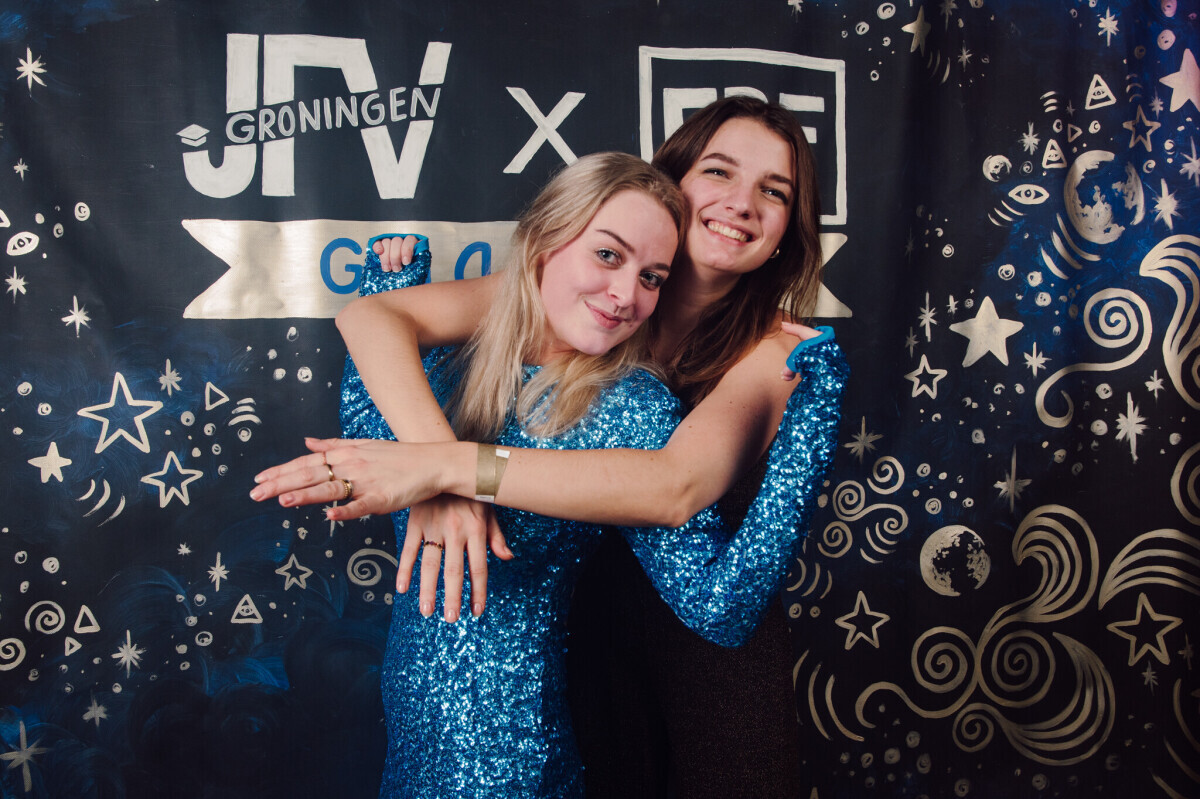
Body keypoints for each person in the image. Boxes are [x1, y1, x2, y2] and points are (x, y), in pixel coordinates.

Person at [252, 149, 847, 797]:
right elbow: (372, 419)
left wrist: (807, 435)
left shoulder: (632, 407)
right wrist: (438, 472)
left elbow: (720, 607)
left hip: (517, 767)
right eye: (608, 255)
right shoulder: (442, 364)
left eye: (652, 277)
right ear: (544, 240)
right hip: (412, 759)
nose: (626, 296)